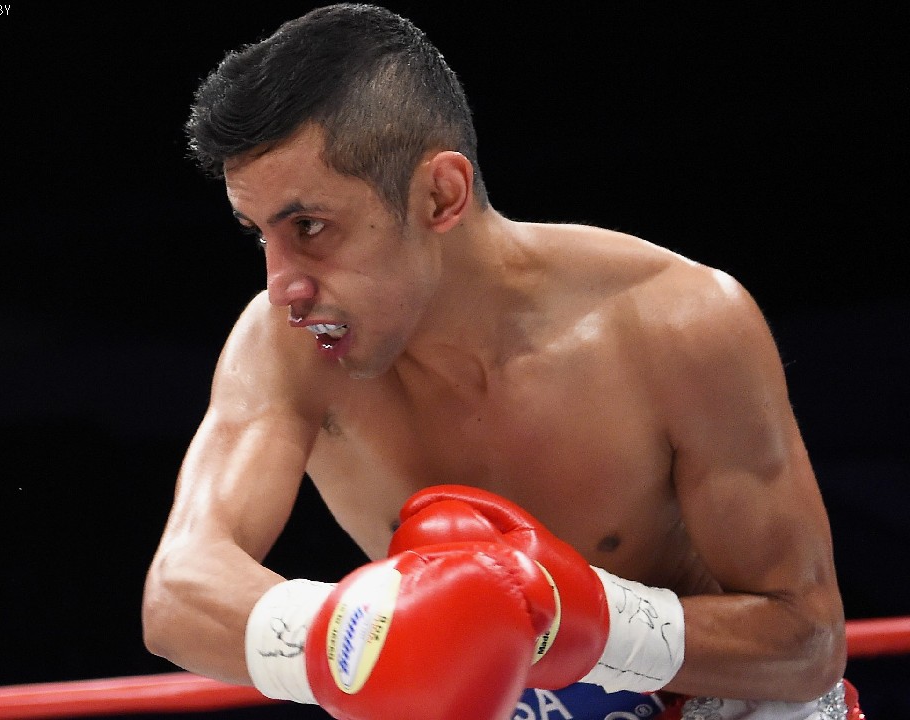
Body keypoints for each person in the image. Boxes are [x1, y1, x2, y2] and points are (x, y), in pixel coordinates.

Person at [142, 5, 860, 719]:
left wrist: (594, 620)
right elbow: (179, 592)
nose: (281, 286)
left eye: (309, 226)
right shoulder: (287, 348)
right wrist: (356, 640)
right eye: (258, 234)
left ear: (440, 195)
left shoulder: (677, 323)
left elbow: (808, 642)